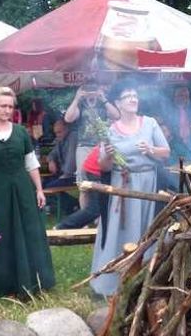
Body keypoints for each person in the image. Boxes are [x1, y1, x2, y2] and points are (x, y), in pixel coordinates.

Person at [0, 86, 55, 298]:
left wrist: (39, 190)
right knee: (2, 236)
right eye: (3, 106)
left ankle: (33, 281)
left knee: (29, 232)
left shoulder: (20, 132)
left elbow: (31, 163)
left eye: (10, 106)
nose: (7, 110)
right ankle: (4, 285)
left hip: (22, 189)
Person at [89, 82, 170, 296]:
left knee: (147, 229)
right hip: (121, 184)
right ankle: (112, 283)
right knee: (120, 230)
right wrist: (106, 154)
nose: (133, 99)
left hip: (147, 184)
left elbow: (166, 152)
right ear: (117, 103)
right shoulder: (108, 130)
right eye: (128, 96)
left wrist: (151, 149)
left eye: (135, 95)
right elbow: (104, 165)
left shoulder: (150, 123)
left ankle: (146, 279)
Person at [64, 84, 119, 210]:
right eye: (88, 90)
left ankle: (100, 215)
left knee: (102, 180)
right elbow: (68, 118)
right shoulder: (80, 104)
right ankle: (85, 215)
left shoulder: (103, 104)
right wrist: (77, 98)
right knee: (83, 183)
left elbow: (117, 116)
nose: (91, 93)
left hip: (102, 146)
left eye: (93, 90)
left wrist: (103, 98)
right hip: (83, 146)